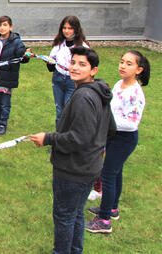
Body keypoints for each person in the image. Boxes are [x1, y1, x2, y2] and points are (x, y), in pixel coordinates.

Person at [30, 47, 116, 254]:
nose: (75, 67)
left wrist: (47, 138)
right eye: (73, 62)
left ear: (93, 70)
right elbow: (110, 129)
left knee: (64, 216)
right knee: (75, 213)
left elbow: (78, 138)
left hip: (74, 170)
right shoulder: (97, 91)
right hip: (89, 166)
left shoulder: (84, 97)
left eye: (82, 64)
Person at [85, 50, 150, 234]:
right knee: (116, 172)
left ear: (139, 69)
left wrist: (106, 122)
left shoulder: (135, 93)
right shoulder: (119, 84)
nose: (123, 65)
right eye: (122, 61)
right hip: (113, 135)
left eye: (129, 63)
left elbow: (131, 123)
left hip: (124, 139)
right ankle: (112, 208)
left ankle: (104, 220)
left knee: (107, 175)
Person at [49, 16, 89, 128]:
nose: (66, 31)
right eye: (64, 28)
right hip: (58, 78)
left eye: (70, 28)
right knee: (59, 110)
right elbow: (52, 65)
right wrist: (49, 63)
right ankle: (58, 139)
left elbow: (88, 67)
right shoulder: (58, 44)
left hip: (73, 81)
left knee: (68, 110)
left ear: (76, 29)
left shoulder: (82, 47)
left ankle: (67, 139)